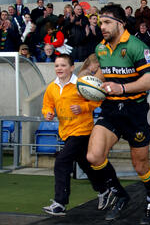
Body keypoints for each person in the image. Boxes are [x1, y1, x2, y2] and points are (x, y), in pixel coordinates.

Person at [86, 4, 150, 223]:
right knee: (94, 156)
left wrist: (123, 88)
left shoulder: (136, 46)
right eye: (100, 23)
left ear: (120, 23)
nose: (102, 27)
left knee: (140, 165)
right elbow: (104, 71)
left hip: (135, 112)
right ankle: (120, 194)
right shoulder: (100, 48)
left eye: (107, 23)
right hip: (110, 110)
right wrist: (90, 84)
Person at [41, 54, 109, 215]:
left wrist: (83, 108)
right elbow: (47, 105)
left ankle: (60, 203)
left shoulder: (81, 84)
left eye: (63, 65)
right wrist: (48, 113)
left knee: (61, 162)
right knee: (86, 164)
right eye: (57, 65)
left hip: (82, 130)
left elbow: (97, 100)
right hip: (66, 132)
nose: (59, 68)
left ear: (72, 68)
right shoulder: (52, 87)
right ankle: (104, 190)